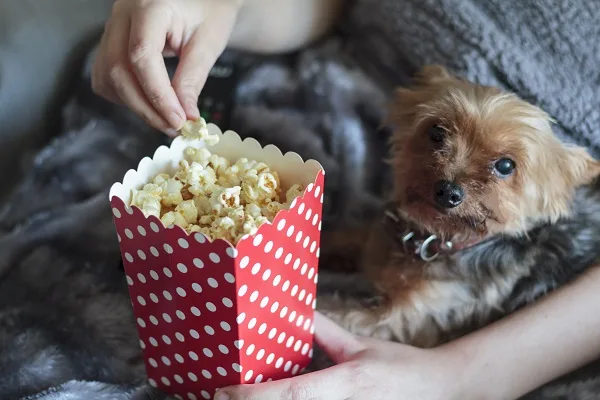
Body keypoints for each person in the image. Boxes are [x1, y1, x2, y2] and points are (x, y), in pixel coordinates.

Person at [93, 1, 600, 399]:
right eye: (439, 136)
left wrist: (464, 376)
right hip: (321, 78)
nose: (450, 178)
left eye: (503, 167)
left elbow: (386, 322)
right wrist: (228, 5)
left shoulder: (490, 258)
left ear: (561, 189)